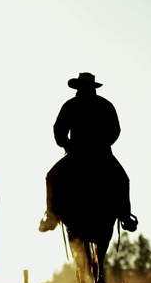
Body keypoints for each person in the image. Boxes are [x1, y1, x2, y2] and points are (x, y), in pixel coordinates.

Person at [39, 72, 138, 233]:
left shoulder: (74, 105)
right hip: (98, 154)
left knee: (52, 176)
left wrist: (68, 145)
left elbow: (59, 130)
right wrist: (69, 145)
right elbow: (115, 130)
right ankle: (125, 216)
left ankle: (51, 215)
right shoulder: (100, 105)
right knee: (121, 179)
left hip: (84, 153)